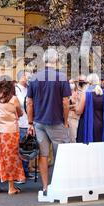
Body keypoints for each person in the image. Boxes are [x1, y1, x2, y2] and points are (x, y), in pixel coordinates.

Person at [27, 48, 72, 198]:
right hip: (56, 121)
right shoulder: (61, 77)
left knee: (43, 155)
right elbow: (65, 102)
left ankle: (46, 186)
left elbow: (29, 103)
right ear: (57, 61)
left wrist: (30, 122)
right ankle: (61, 184)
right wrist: (66, 121)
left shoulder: (34, 78)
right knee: (62, 155)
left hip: (39, 121)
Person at [0, 76, 26, 195]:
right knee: (10, 158)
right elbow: (19, 113)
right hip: (9, 132)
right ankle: (11, 187)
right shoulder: (13, 99)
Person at [76, 73, 104, 143]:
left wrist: (76, 105)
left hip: (87, 124)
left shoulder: (86, 94)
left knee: (86, 148)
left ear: (89, 82)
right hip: (102, 124)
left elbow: (79, 111)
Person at [15, 70, 34, 180]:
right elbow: (22, 103)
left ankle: (26, 171)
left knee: (28, 147)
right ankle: (20, 173)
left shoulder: (28, 88)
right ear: (22, 77)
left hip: (29, 122)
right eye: (28, 75)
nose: (29, 77)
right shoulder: (16, 89)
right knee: (21, 148)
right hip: (21, 122)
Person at [68, 78, 80, 143]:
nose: (71, 84)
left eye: (72, 83)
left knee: (73, 138)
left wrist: (68, 107)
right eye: (69, 83)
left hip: (73, 118)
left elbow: (77, 106)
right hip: (66, 117)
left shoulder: (78, 94)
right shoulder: (66, 93)